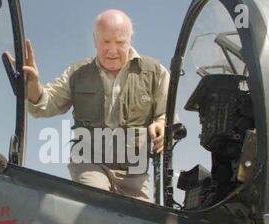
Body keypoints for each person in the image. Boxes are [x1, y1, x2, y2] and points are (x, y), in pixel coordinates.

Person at [16, 9, 171, 202]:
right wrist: (32, 86)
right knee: (100, 206)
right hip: (89, 162)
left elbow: (167, 115)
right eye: (105, 42)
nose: (112, 50)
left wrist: (162, 125)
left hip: (134, 171)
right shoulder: (78, 73)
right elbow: (46, 103)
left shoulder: (156, 72)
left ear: (130, 39)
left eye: (120, 42)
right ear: (94, 40)